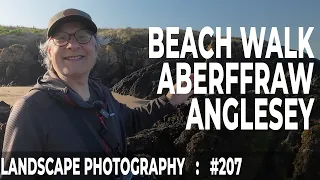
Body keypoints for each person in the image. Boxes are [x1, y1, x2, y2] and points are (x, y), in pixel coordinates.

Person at [1, 8, 194, 180]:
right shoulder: (31, 110)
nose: (72, 45)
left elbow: (131, 121)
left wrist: (169, 100)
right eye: (61, 37)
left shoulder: (100, 93)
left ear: (96, 47)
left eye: (83, 36)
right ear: (49, 51)